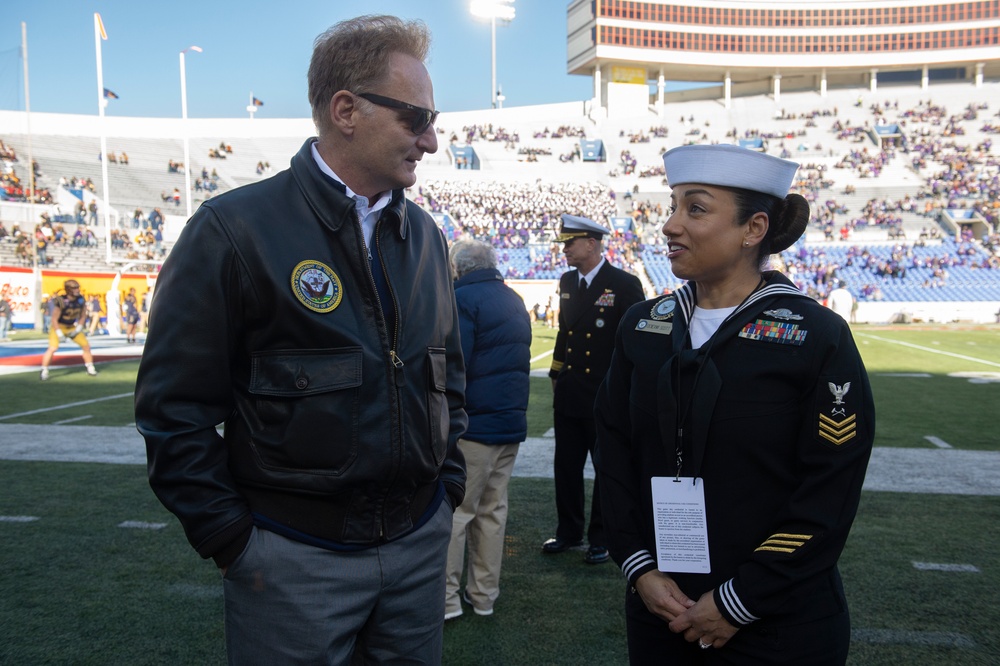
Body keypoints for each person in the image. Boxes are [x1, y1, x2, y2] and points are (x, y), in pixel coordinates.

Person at [134, 15, 466, 665]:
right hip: (291, 557)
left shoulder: (425, 236)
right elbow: (173, 409)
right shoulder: (234, 229)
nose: (431, 140)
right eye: (415, 118)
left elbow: (447, 375)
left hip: (417, 542)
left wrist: (443, 492)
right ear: (346, 110)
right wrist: (233, 540)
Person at [594, 144, 875, 664]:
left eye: (695, 209)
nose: (670, 226)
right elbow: (613, 452)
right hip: (662, 611)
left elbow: (830, 487)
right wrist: (640, 567)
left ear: (754, 229)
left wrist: (739, 600)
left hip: (778, 623)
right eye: (672, 206)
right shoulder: (642, 326)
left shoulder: (815, 335)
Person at [543, 214, 644, 564]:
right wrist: (555, 376)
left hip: (605, 393)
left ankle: (601, 537)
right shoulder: (568, 280)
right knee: (566, 467)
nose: (565, 249)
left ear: (592, 243)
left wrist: (627, 388)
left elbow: (634, 342)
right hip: (571, 391)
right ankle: (568, 532)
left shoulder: (624, 283)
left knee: (606, 469)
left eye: (570, 243)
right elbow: (565, 333)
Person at [444, 239, 531, 620]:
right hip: (508, 424)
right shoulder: (512, 298)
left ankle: (446, 600)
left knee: (457, 515)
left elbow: (453, 364)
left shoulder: (464, 299)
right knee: (492, 513)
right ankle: (483, 596)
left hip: (474, 425)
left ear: (459, 268)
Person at [39, 279, 99, 381]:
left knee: (86, 346)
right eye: (75, 288)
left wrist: (78, 328)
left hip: (72, 327)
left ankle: (90, 367)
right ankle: (44, 370)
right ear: (68, 289)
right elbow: (54, 319)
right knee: (52, 348)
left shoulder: (80, 299)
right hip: (59, 326)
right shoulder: (61, 300)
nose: (77, 290)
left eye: (77, 287)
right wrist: (59, 332)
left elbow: (83, 315)